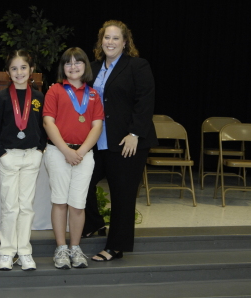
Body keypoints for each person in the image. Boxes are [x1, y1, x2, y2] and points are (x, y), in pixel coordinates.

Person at [85, 20, 158, 261]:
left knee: (122, 195)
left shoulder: (137, 66)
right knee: (82, 184)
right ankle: (94, 223)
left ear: (125, 42)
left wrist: (135, 133)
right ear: (100, 41)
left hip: (127, 142)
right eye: (107, 37)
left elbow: (145, 101)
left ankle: (116, 246)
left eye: (116, 38)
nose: (110, 42)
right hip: (97, 142)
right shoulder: (92, 68)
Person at [0, 50, 46, 271]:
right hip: (9, 156)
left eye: (23, 68)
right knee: (10, 207)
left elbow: (45, 127)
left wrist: (39, 150)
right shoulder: (1, 98)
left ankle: (25, 251)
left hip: (32, 157)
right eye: (14, 68)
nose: (19, 72)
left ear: (31, 70)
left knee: (26, 207)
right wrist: (2, 154)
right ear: (8, 72)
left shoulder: (38, 97)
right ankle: (7, 252)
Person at [43, 47, 104, 269]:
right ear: (63, 68)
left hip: (84, 154)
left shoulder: (94, 94)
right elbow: (48, 123)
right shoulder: (55, 91)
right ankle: (61, 248)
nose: (73, 66)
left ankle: (75, 247)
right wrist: (66, 151)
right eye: (68, 63)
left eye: (77, 62)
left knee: (78, 204)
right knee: (60, 201)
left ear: (85, 66)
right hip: (58, 152)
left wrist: (81, 151)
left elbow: (97, 126)